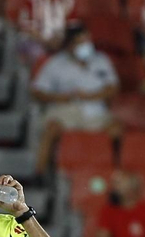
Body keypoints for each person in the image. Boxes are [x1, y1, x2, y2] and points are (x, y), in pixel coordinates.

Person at [31, 24, 117, 174]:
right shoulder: (55, 63)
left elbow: (113, 88)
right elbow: (37, 91)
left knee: (116, 130)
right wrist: (61, 97)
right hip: (66, 109)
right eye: (81, 42)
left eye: (88, 41)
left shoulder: (101, 60)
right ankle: (40, 175)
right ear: (70, 45)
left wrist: (90, 96)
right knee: (51, 129)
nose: (87, 45)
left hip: (95, 111)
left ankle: (115, 173)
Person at [15, 0, 79, 66]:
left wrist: (60, 41)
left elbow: (73, 26)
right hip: (36, 40)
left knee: (78, 53)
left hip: (62, 41)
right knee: (39, 55)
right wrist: (45, 41)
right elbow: (25, 26)